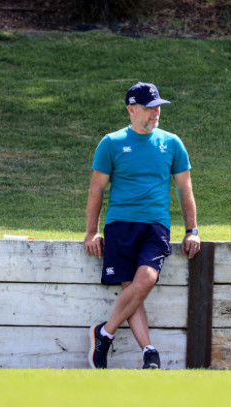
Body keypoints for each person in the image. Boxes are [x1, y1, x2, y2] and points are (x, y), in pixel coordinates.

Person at [84, 82, 201, 369]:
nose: (155, 113)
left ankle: (104, 332)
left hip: (156, 226)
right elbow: (96, 190)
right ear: (131, 109)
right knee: (131, 287)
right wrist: (92, 231)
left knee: (146, 279)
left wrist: (192, 230)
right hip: (120, 224)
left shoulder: (172, 142)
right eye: (149, 108)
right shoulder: (110, 143)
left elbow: (185, 189)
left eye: (157, 107)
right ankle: (149, 351)